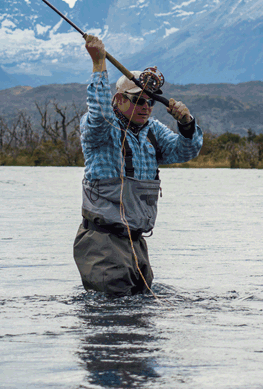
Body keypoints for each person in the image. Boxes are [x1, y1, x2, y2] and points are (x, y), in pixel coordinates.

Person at [73, 34, 203, 296]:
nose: (146, 107)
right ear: (119, 99)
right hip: (102, 242)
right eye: (139, 100)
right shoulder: (101, 127)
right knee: (114, 311)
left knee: (142, 310)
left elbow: (185, 150)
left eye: (150, 101)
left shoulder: (153, 130)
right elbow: (99, 113)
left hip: (137, 242)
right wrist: (98, 64)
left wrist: (187, 125)